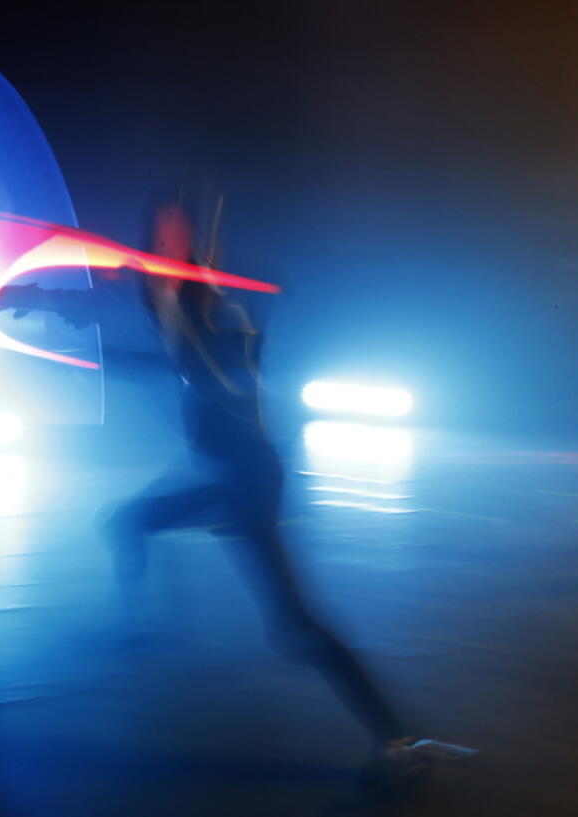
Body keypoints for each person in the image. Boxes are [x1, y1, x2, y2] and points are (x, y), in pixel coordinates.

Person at [102, 201, 433, 786]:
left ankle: (397, 737)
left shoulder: (220, 308)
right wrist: (100, 346)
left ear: (194, 248)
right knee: (128, 522)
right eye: (155, 236)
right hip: (221, 477)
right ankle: (139, 630)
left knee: (294, 627)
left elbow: (226, 375)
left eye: (174, 237)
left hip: (249, 480)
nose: (160, 248)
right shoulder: (174, 307)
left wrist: (176, 304)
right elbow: (170, 363)